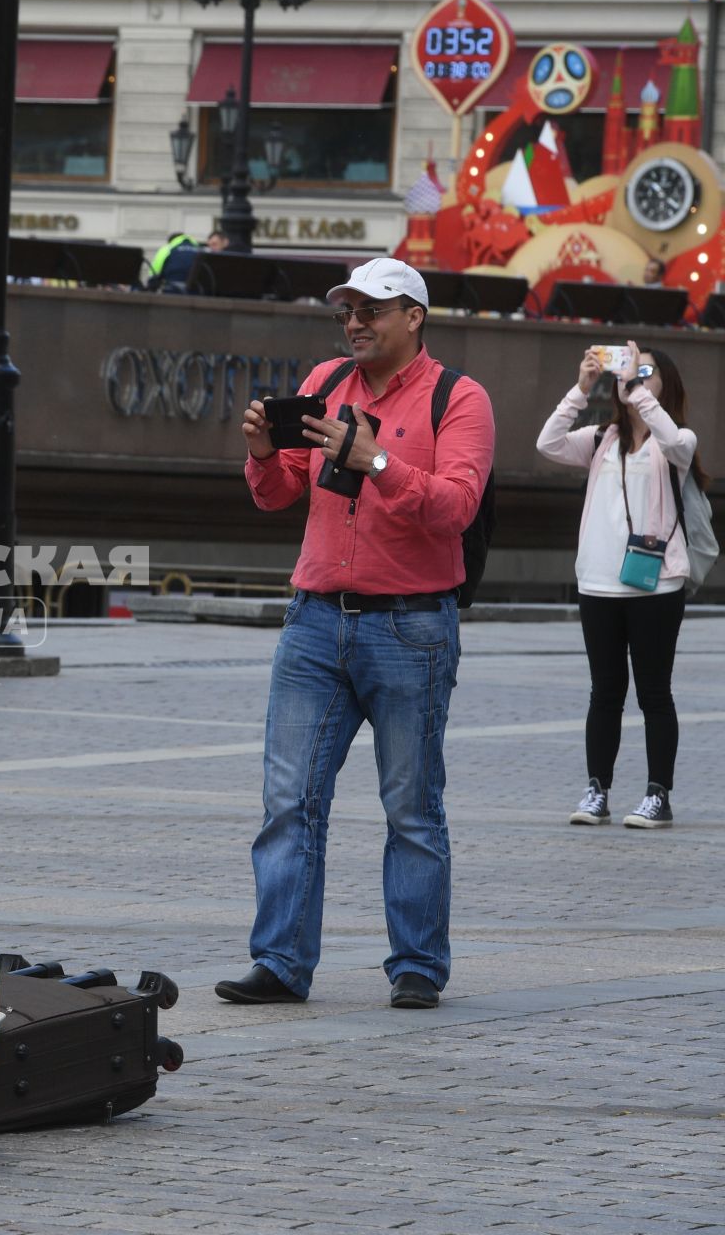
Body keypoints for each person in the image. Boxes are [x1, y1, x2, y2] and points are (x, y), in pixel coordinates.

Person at [217, 257, 495, 1011]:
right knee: (288, 800)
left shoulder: (458, 399)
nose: (355, 323)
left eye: (373, 309)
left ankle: (416, 965)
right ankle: (279, 961)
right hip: (313, 624)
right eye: (347, 311)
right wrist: (262, 454)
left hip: (411, 627)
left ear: (415, 317)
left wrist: (376, 460)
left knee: (410, 805)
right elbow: (282, 494)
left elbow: (455, 508)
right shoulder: (326, 384)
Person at [537, 340, 704, 829]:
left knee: (654, 692)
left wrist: (638, 392)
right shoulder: (600, 440)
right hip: (598, 584)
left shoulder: (676, 442)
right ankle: (597, 790)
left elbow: (674, 441)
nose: (634, 377)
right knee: (604, 692)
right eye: (630, 371)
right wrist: (582, 387)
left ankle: (658, 794)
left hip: (656, 587)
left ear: (663, 384)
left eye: (647, 370)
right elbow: (547, 443)